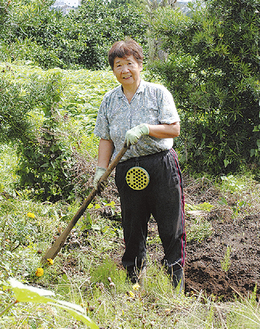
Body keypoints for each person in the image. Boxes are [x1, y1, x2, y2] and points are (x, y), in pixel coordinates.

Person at [93, 38, 186, 291]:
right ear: (113, 70)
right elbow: (105, 138)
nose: (124, 70)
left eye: (129, 63)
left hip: (160, 166)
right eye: (118, 65)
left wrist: (147, 129)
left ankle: (175, 284)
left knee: (170, 227)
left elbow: (174, 129)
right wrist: (101, 169)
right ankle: (134, 282)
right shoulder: (109, 100)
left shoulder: (158, 93)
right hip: (126, 169)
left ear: (140, 64)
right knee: (133, 228)